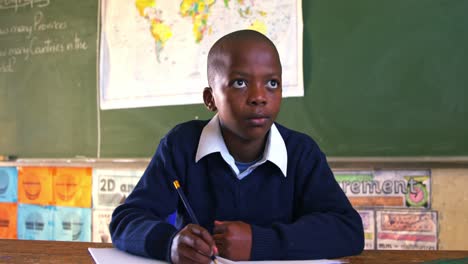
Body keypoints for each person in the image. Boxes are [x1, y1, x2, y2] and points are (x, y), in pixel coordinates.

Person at [109, 29, 364, 263]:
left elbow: (348, 231)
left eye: (272, 83)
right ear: (210, 99)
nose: (259, 97)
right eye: (240, 83)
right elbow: (126, 220)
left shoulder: (301, 153)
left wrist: (261, 243)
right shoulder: (182, 146)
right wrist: (170, 243)